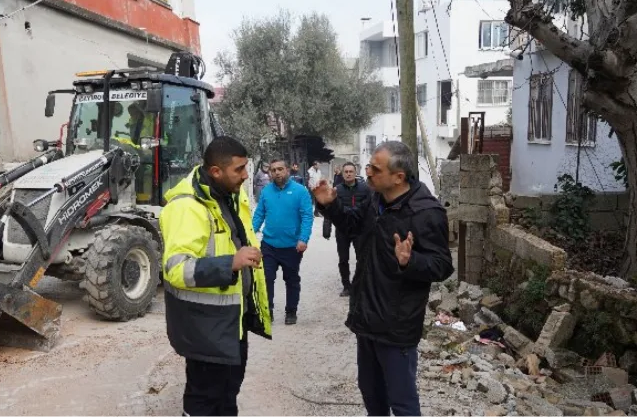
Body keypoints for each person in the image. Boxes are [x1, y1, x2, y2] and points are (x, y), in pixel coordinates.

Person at [312, 141, 454, 417]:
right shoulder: (375, 199)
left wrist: (411, 261)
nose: (368, 174)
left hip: (396, 325)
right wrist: (331, 205)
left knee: (402, 403)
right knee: (372, 396)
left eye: (375, 169)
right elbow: (352, 225)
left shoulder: (426, 213)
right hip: (366, 317)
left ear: (398, 177)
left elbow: (442, 265)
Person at [160, 136, 272, 416]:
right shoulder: (187, 207)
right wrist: (230, 263)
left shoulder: (229, 194)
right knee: (203, 399)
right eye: (239, 170)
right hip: (205, 327)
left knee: (227, 392)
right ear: (215, 172)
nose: (246, 176)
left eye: (246, 168)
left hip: (231, 322)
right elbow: (175, 269)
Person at [252, 159, 313, 325]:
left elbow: (307, 216)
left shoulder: (300, 191)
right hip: (269, 244)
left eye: (280, 169)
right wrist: (249, 233)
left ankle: (291, 311)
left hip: (292, 246)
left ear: (287, 170)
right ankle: (267, 311)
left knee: (291, 279)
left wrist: (303, 238)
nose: (276, 172)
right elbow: (259, 215)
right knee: (266, 278)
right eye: (273, 170)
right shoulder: (266, 192)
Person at [331, 162, 371, 297]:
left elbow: (370, 209)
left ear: (355, 173)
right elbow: (330, 208)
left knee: (362, 258)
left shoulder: (365, 189)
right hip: (342, 230)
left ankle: (360, 284)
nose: (348, 174)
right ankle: (346, 286)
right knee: (343, 259)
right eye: (346, 172)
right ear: (342, 174)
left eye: (351, 171)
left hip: (360, 229)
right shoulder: (337, 190)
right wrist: (327, 227)